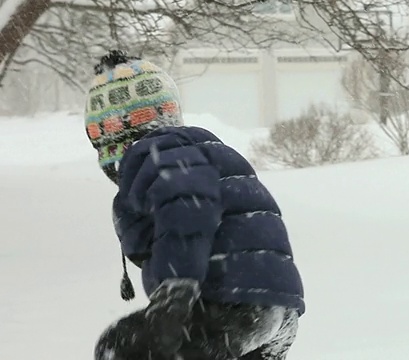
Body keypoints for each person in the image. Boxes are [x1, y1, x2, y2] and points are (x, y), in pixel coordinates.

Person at [85, 50, 305, 360]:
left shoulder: (156, 152)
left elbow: (188, 207)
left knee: (120, 347)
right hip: (274, 312)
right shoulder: (198, 150)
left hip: (229, 304)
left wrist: (176, 286)